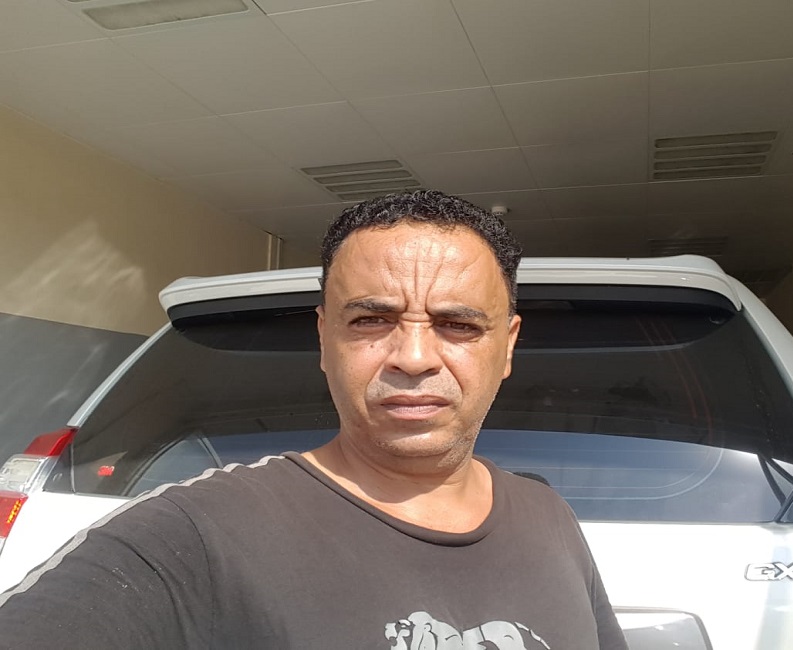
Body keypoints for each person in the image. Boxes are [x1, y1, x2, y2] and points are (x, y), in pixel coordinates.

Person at [0, 190, 628, 649]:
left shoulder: (550, 518)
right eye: (371, 320)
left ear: (507, 346)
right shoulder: (195, 536)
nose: (413, 358)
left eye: (457, 324)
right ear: (325, 338)